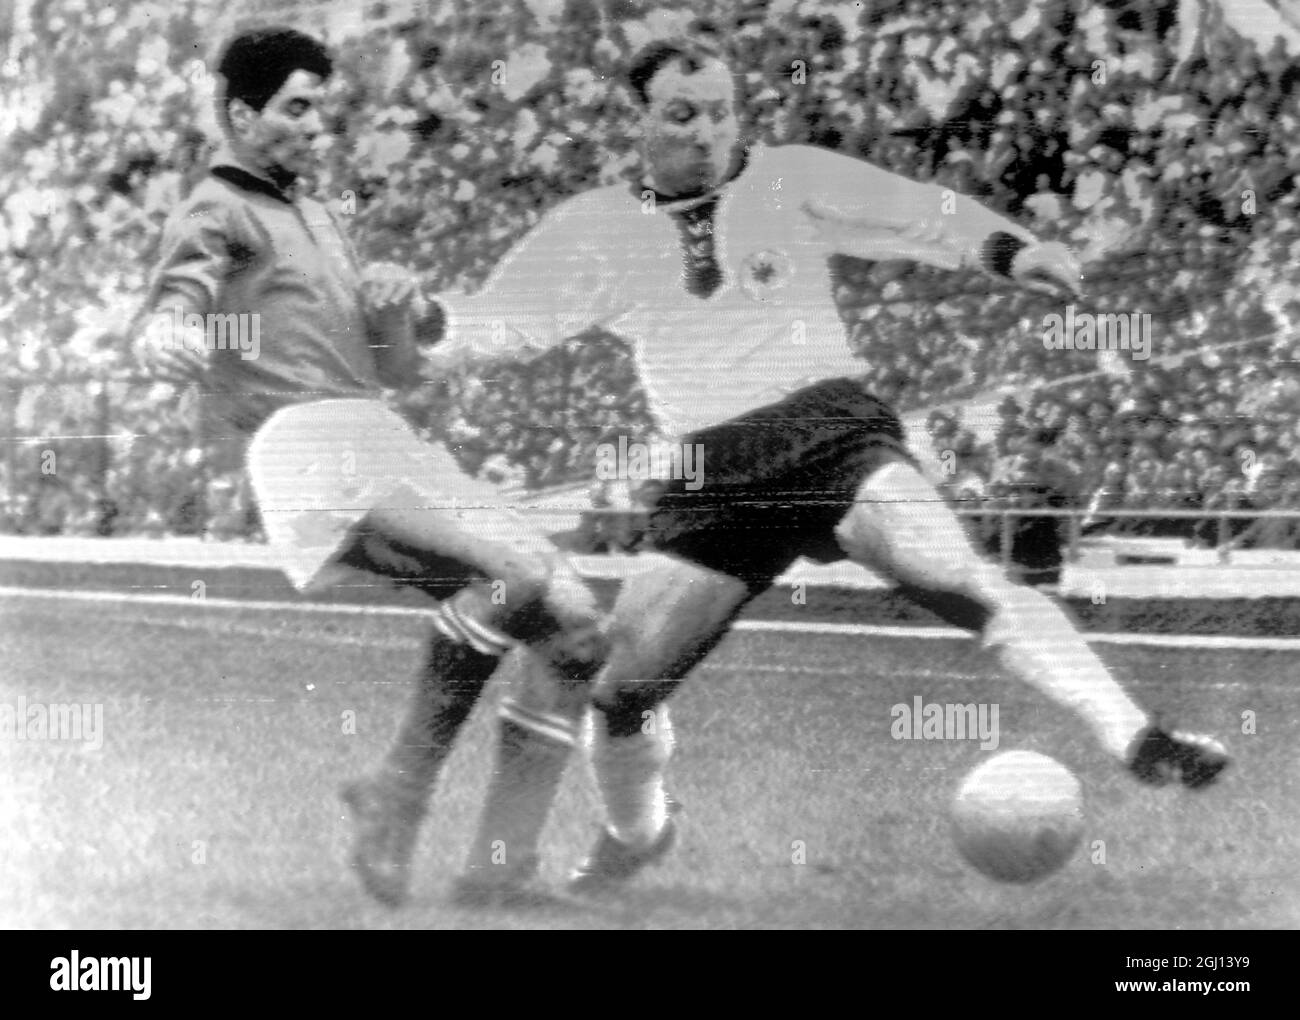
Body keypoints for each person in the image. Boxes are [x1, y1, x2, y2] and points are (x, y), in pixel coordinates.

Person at [425, 29, 1230, 895]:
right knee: (621, 693)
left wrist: (1013, 250)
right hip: (713, 470)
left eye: (722, 113)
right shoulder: (594, 229)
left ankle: (1138, 739)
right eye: (681, 115)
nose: (706, 133)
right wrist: (428, 320)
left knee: (965, 581)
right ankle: (637, 833)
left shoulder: (790, 176)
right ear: (639, 122)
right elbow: (500, 323)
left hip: (830, 431)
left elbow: (924, 215)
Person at [133, 26, 605, 908]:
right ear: (242, 113)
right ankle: (400, 789)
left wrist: (408, 305)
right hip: (306, 443)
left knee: (577, 626)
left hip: (376, 429)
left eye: (323, 108)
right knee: (512, 575)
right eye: (297, 109)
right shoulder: (217, 207)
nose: (318, 126)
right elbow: (180, 295)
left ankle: (497, 872)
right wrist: (168, 330)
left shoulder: (318, 214)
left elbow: (392, 367)